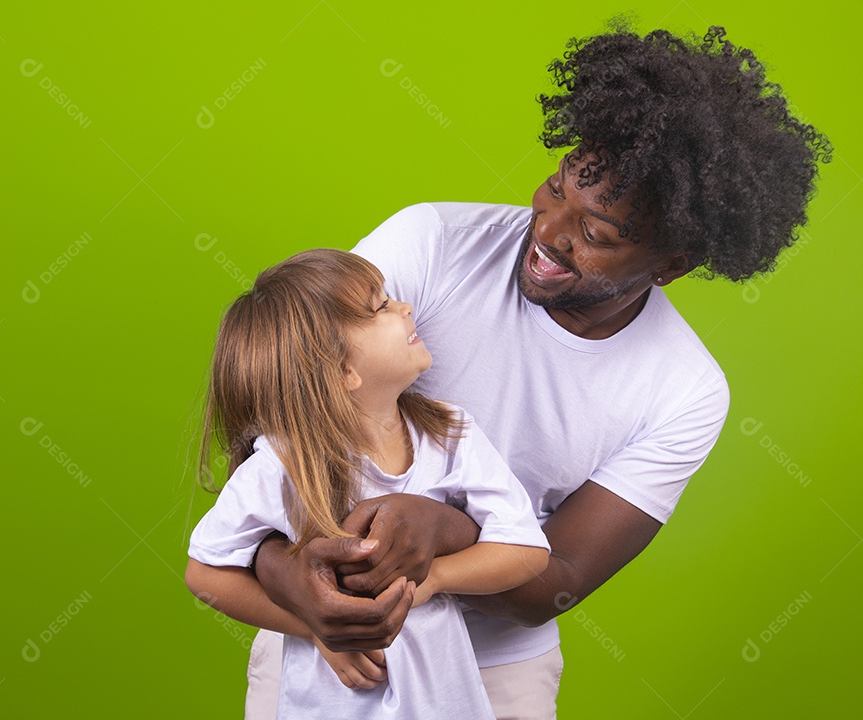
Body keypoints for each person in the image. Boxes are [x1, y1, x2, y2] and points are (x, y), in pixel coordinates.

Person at [247, 22, 832, 720]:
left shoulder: (684, 392)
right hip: (330, 648)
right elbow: (266, 420)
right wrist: (294, 584)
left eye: (597, 234)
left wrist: (443, 528)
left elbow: (555, 584)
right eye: (558, 189)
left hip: (495, 679)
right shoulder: (430, 244)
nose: (550, 232)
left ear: (671, 266)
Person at [184, 249, 552, 719]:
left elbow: (525, 548)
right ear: (342, 372)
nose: (406, 308)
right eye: (381, 307)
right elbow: (206, 573)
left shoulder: (450, 433)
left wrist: (434, 578)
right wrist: (315, 628)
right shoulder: (282, 464)